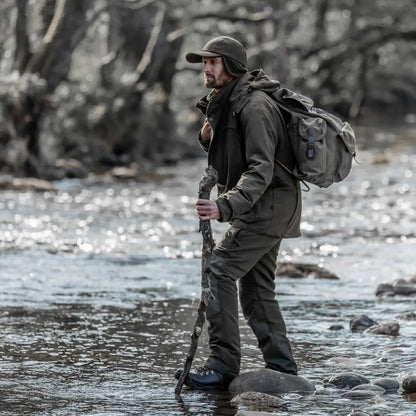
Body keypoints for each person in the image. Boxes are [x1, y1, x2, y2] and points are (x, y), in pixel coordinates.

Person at [176, 35, 302, 390]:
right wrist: (207, 138)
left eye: (213, 62)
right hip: (265, 207)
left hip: (267, 208)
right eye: (204, 62)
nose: (206, 68)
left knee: (218, 271)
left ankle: (223, 365)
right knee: (257, 289)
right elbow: (234, 153)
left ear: (231, 67)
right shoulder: (228, 101)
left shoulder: (254, 107)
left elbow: (260, 169)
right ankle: (283, 369)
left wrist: (223, 206)